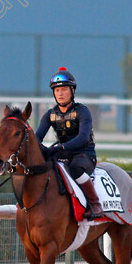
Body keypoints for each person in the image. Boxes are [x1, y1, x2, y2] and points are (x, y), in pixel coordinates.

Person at [36, 67, 103, 219]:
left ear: (72, 91)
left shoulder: (82, 111)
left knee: (76, 169)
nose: (60, 93)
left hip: (84, 155)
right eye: (57, 90)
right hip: (63, 154)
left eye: (64, 89)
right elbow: (38, 136)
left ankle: (95, 204)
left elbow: (83, 138)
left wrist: (60, 148)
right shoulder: (49, 115)